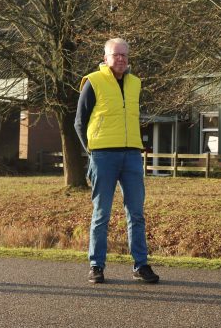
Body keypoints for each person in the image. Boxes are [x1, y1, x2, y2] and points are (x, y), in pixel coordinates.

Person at [75, 38, 158, 284]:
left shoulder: (136, 83)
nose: (120, 58)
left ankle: (141, 265)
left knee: (136, 213)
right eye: (115, 54)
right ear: (105, 58)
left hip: (132, 155)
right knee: (101, 213)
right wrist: (92, 151)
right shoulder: (93, 81)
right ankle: (96, 265)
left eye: (124, 54)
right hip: (103, 155)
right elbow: (80, 121)